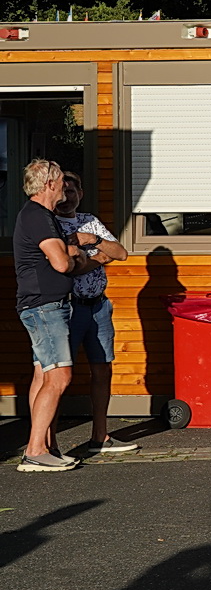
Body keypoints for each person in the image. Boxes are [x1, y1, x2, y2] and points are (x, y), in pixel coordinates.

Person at [15, 160, 101, 472]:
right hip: (45, 306)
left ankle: (45, 447)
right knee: (59, 376)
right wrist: (76, 255)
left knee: (43, 375)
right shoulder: (38, 216)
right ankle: (35, 451)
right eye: (61, 180)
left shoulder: (40, 215)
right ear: (49, 184)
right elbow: (62, 264)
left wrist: (71, 253)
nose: (64, 185)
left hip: (44, 305)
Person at [55, 172, 134, 454]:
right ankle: (48, 444)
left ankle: (100, 437)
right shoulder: (50, 224)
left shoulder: (89, 221)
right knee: (57, 375)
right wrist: (99, 259)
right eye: (62, 191)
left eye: (71, 191)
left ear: (81, 193)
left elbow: (120, 253)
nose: (66, 198)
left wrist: (93, 240)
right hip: (68, 307)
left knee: (102, 369)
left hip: (99, 306)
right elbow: (69, 267)